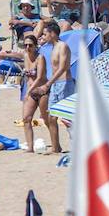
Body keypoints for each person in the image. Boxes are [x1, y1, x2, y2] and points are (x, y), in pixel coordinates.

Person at [40, 20, 72, 154]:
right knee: (51, 117)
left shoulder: (62, 46)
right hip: (55, 84)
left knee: (68, 118)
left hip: (64, 83)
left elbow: (63, 67)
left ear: (53, 34)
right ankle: (55, 147)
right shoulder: (52, 48)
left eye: (45, 34)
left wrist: (48, 83)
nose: (43, 37)